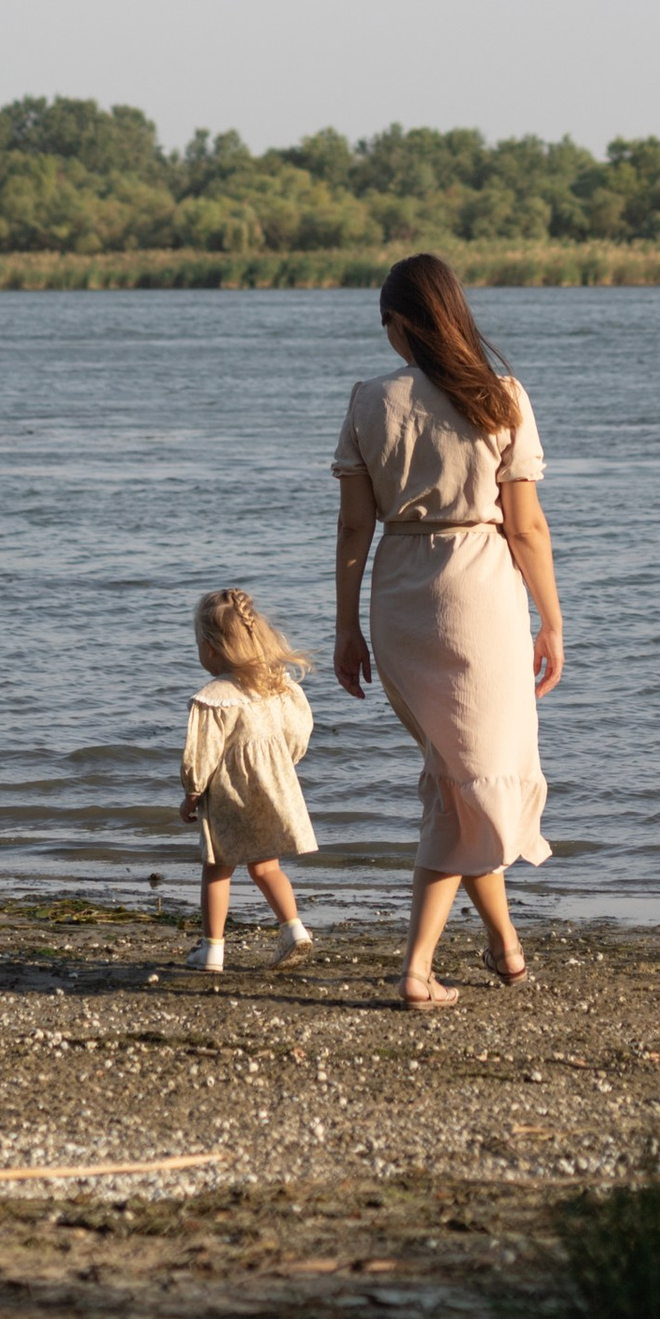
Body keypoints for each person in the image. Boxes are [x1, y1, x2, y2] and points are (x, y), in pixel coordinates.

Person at [331, 251, 564, 1011]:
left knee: (459, 780)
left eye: (387, 323)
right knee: (465, 782)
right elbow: (526, 527)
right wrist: (552, 622)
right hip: (480, 595)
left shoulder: (370, 400)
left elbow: (352, 532)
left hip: (400, 597)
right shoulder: (501, 398)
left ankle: (505, 946)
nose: (387, 337)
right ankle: (417, 970)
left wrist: (345, 627)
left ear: (404, 322)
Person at [178, 586, 318, 977]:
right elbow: (298, 731)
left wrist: (191, 793)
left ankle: (212, 950)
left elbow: (202, 754)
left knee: (218, 868)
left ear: (211, 648)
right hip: (270, 788)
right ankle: (293, 928)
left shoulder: (214, 697)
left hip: (228, 794)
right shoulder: (276, 687)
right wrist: (282, 766)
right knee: (266, 866)